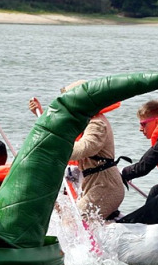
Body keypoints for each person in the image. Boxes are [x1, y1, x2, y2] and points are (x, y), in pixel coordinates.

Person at [29, 84, 125, 221]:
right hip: (93, 184)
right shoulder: (85, 121)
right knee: (69, 217)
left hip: (106, 187)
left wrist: (56, 149)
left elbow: (85, 148)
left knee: (75, 221)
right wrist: (40, 114)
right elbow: (58, 132)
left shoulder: (97, 123)